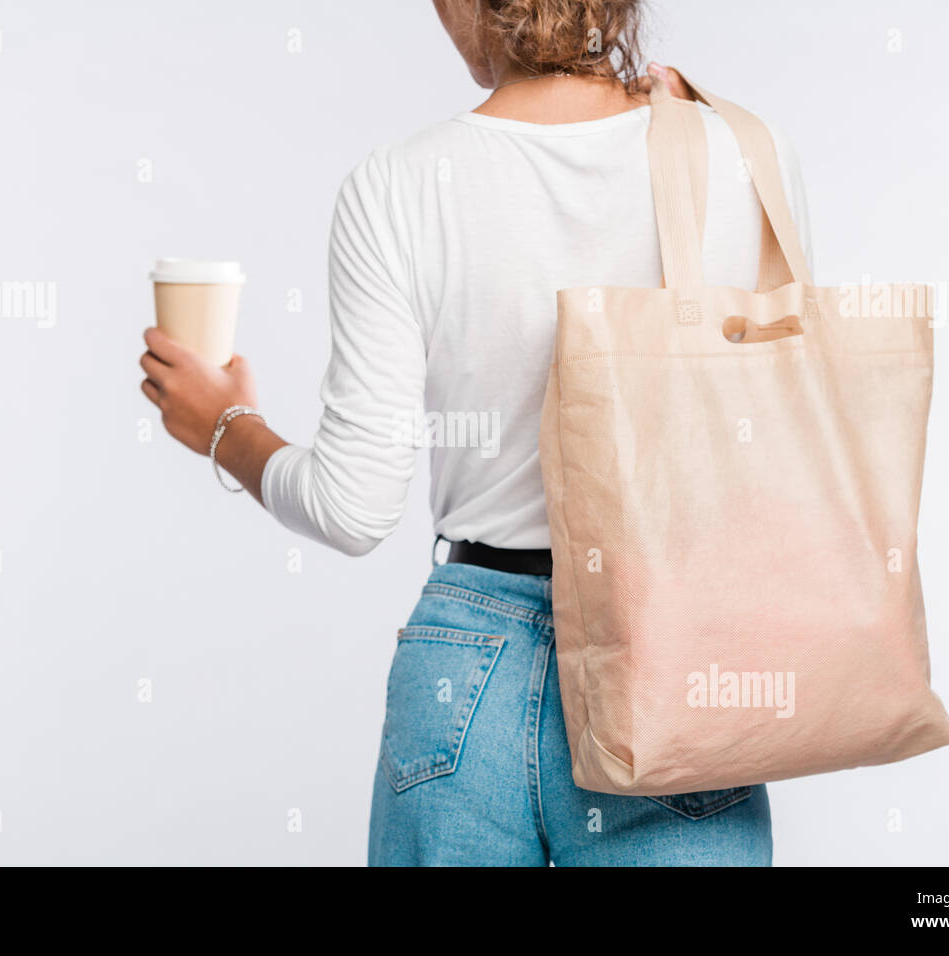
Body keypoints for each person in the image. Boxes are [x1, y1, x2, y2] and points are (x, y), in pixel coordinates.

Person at [139, 0, 812, 866]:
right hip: (681, 655)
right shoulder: (748, 157)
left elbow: (352, 507)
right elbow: (774, 429)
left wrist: (225, 427)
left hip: (470, 664)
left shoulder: (401, 182)